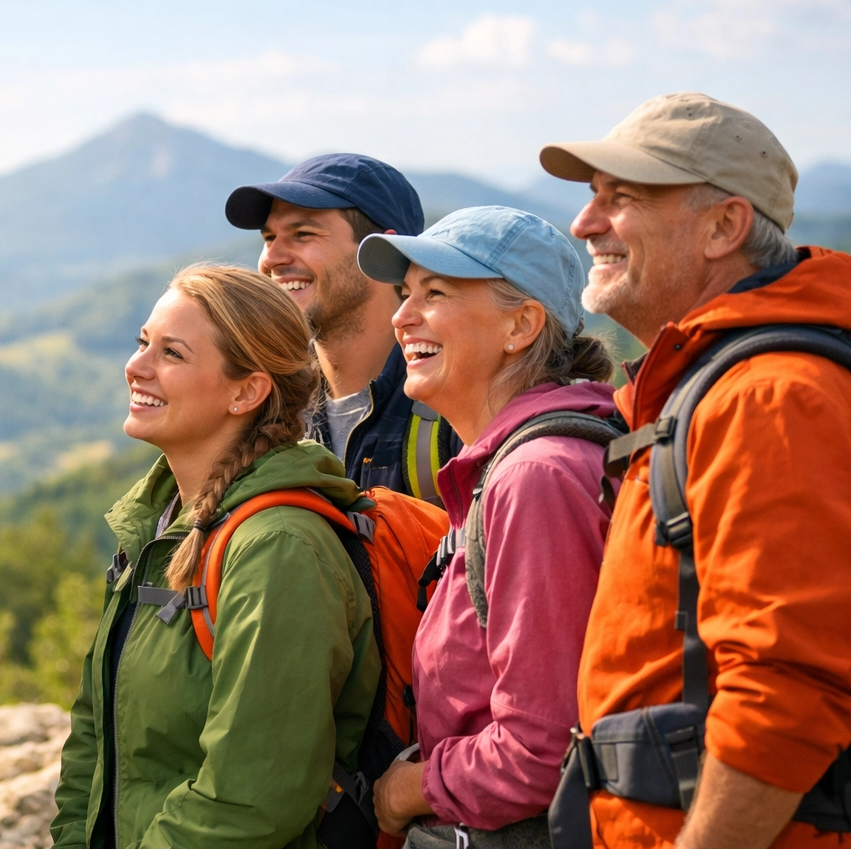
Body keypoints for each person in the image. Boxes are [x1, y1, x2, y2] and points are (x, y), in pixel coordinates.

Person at [539, 92, 851, 849]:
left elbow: (786, 688)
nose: (584, 223)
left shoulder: (771, 397)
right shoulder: (710, 387)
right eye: (591, 198)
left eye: (623, 198)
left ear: (724, 227)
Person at [52, 264, 380, 849]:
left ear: (246, 391)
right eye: (143, 343)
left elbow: (252, 798)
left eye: (172, 353)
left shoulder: (279, 549)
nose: (137, 366)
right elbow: (94, 739)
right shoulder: (158, 526)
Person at [358, 207, 619, 847]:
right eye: (405, 293)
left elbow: (540, 749)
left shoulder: (537, 478)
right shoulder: (517, 467)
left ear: (521, 325)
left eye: (436, 293)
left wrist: (407, 792)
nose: (402, 316)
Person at [226, 154, 462, 501]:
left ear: (386, 253)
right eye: (269, 238)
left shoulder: (457, 410)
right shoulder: (266, 407)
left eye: (302, 234)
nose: (271, 258)